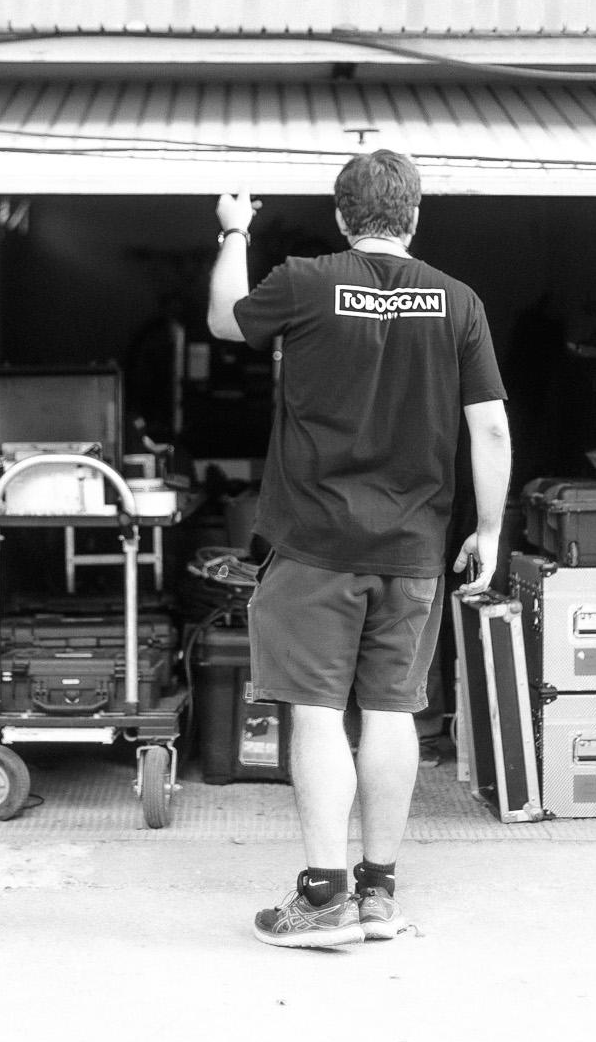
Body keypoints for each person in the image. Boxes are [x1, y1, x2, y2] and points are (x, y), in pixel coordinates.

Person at [207, 149, 510, 949]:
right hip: (413, 548)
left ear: (342, 215)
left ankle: (324, 898)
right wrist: (488, 529)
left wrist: (236, 231)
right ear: (415, 215)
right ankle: (377, 893)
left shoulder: (306, 281)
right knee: (391, 711)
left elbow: (225, 317)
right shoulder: (458, 301)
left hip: (314, 544)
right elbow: (489, 426)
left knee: (316, 713)